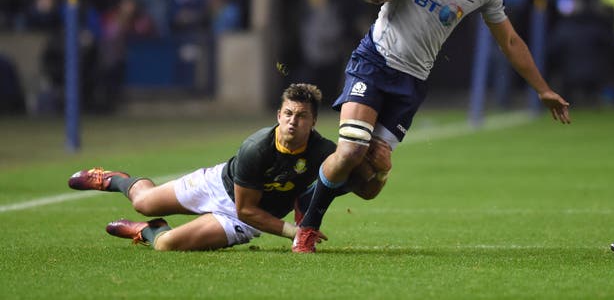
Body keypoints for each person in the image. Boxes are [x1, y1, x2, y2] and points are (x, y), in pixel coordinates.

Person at [292, 0, 572, 253]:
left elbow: (511, 41)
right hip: (374, 61)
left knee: (370, 181)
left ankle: (311, 193)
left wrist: (543, 89)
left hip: (412, 81)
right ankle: (307, 227)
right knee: (350, 150)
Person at [67, 83, 390, 251]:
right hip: (219, 186)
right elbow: (247, 207)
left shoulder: (325, 152)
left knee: (167, 245)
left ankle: (147, 231)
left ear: (314, 121)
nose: (293, 121)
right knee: (142, 201)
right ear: (278, 115)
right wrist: (296, 232)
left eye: (301, 116)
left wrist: (380, 171)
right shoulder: (256, 148)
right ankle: (115, 180)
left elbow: (366, 191)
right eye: (288, 114)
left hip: (242, 220)